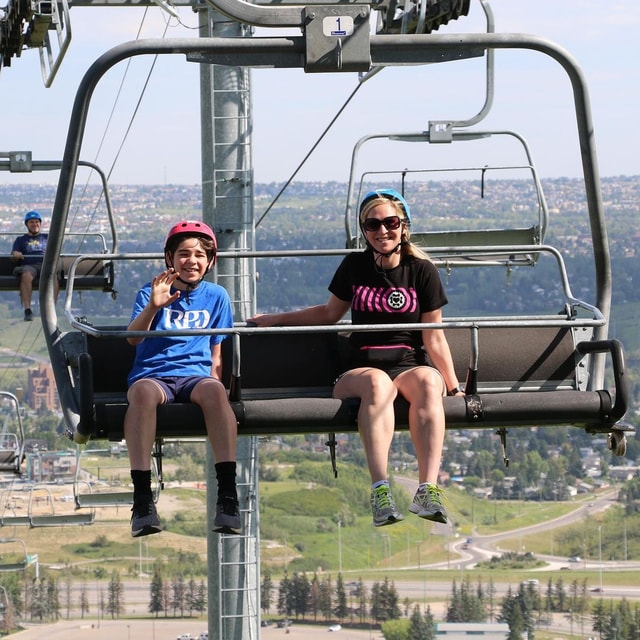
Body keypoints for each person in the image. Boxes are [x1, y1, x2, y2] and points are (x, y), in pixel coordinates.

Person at [248, 189, 464, 527]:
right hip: (360, 368)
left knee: (427, 381)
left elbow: (432, 335)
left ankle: (427, 489)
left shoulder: (422, 271)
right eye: (372, 225)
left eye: (390, 223)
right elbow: (329, 313)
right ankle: (381, 490)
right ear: (364, 230)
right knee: (378, 384)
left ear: (403, 227)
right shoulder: (354, 266)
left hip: (408, 363)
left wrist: (452, 387)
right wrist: (276, 319)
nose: (382, 231)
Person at [124, 220, 240, 537]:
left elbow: (216, 351)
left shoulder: (217, 296)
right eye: (185, 254)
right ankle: (143, 499)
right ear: (170, 259)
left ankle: (228, 495)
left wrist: (219, 387)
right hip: (154, 374)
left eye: (200, 255)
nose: (192, 261)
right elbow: (133, 339)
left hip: (195, 377)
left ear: (210, 261)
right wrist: (153, 306)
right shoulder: (149, 292)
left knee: (215, 394)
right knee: (143, 395)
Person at [11, 210, 48, 321]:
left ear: (40, 224)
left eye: (37, 222)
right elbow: (14, 254)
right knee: (26, 275)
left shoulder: (46, 238)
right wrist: (16, 254)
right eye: (31, 222)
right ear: (27, 224)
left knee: (53, 275)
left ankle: (50, 308)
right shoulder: (21, 240)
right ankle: (27, 309)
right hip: (29, 265)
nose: (34, 224)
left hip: (45, 264)